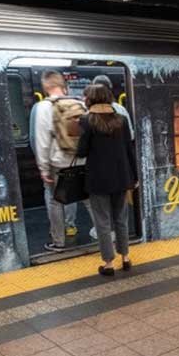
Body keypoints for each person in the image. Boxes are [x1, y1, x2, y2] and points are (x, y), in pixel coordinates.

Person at [77, 84, 138, 277]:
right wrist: (134, 176)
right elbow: (129, 150)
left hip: (98, 179)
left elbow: (81, 152)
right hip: (121, 177)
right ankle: (125, 258)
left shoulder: (86, 121)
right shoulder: (121, 120)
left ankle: (109, 263)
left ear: (91, 99)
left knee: (102, 221)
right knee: (121, 219)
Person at [31, 71, 85, 252]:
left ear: (45, 87)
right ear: (64, 86)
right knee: (88, 198)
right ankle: (106, 236)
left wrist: (43, 169)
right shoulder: (80, 104)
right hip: (82, 160)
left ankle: (58, 242)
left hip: (59, 164)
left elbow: (42, 142)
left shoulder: (43, 107)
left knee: (55, 201)